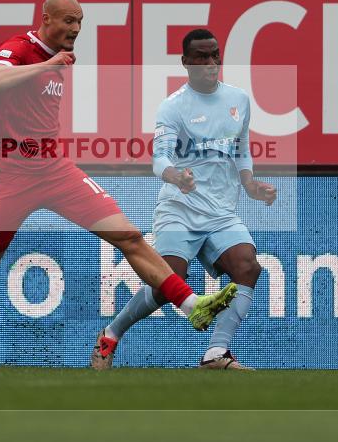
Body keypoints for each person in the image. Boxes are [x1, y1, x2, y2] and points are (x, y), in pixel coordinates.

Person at [0, 0, 237, 367]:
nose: (76, 28)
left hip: (55, 171)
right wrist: (46, 65)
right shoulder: (22, 48)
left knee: (129, 236)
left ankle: (191, 305)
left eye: (80, 21)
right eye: (68, 20)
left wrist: (52, 64)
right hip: (11, 177)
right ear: (46, 18)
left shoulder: (60, 56)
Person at [91, 28, 276, 370]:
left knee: (248, 266)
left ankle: (216, 352)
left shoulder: (238, 100)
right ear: (186, 62)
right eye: (202, 57)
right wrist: (176, 176)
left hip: (221, 213)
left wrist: (250, 183)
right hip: (180, 208)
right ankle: (111, 334)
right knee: (168, 283)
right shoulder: (173, 106)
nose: (210, 62)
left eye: (215, 55)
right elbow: (159, 158)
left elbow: (241, 150)